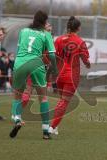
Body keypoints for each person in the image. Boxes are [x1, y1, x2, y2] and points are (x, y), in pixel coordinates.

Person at [9, 10, 58, 139]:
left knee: (17, 96)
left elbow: (19, 50)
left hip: (20, 63)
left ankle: (17, 119)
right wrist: (54, 67)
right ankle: (46, 131)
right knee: (43, 98)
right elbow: (52, 54)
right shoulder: (46, 34)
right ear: (44, 22)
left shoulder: (23, 31)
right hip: (36, 63)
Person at [48, 16, 91, 135]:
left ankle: (55, 127)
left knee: (62, 101)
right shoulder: (80, 41)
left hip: (60, 75)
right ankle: (51, 127)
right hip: (72, 76)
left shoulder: (58, 40)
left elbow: (54, 57)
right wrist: (88, 64)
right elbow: (84, 58)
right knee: (64, 102)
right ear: (78, 28)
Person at [21, 22, 56, 108]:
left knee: (37, 95)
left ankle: (16, 113)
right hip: (35, 67)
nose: (50, 27)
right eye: (47, 26)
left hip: (41, 69)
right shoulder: (41, 38)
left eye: (50, 27)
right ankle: (16, 113)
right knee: (32, 93)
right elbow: (42, 55)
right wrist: (49, 63)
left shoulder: (48, 38)